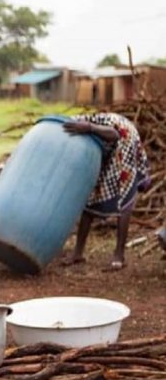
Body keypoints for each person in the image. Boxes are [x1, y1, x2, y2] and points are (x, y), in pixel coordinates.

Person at [62, 113, 150, 270]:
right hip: (111, 149)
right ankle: (78, 253)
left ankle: (119, 256)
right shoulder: (73, 128)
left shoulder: (84, 124)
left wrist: (89, 127)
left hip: (125, 141)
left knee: (124, 199)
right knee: (91, 199)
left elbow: (114, 134)